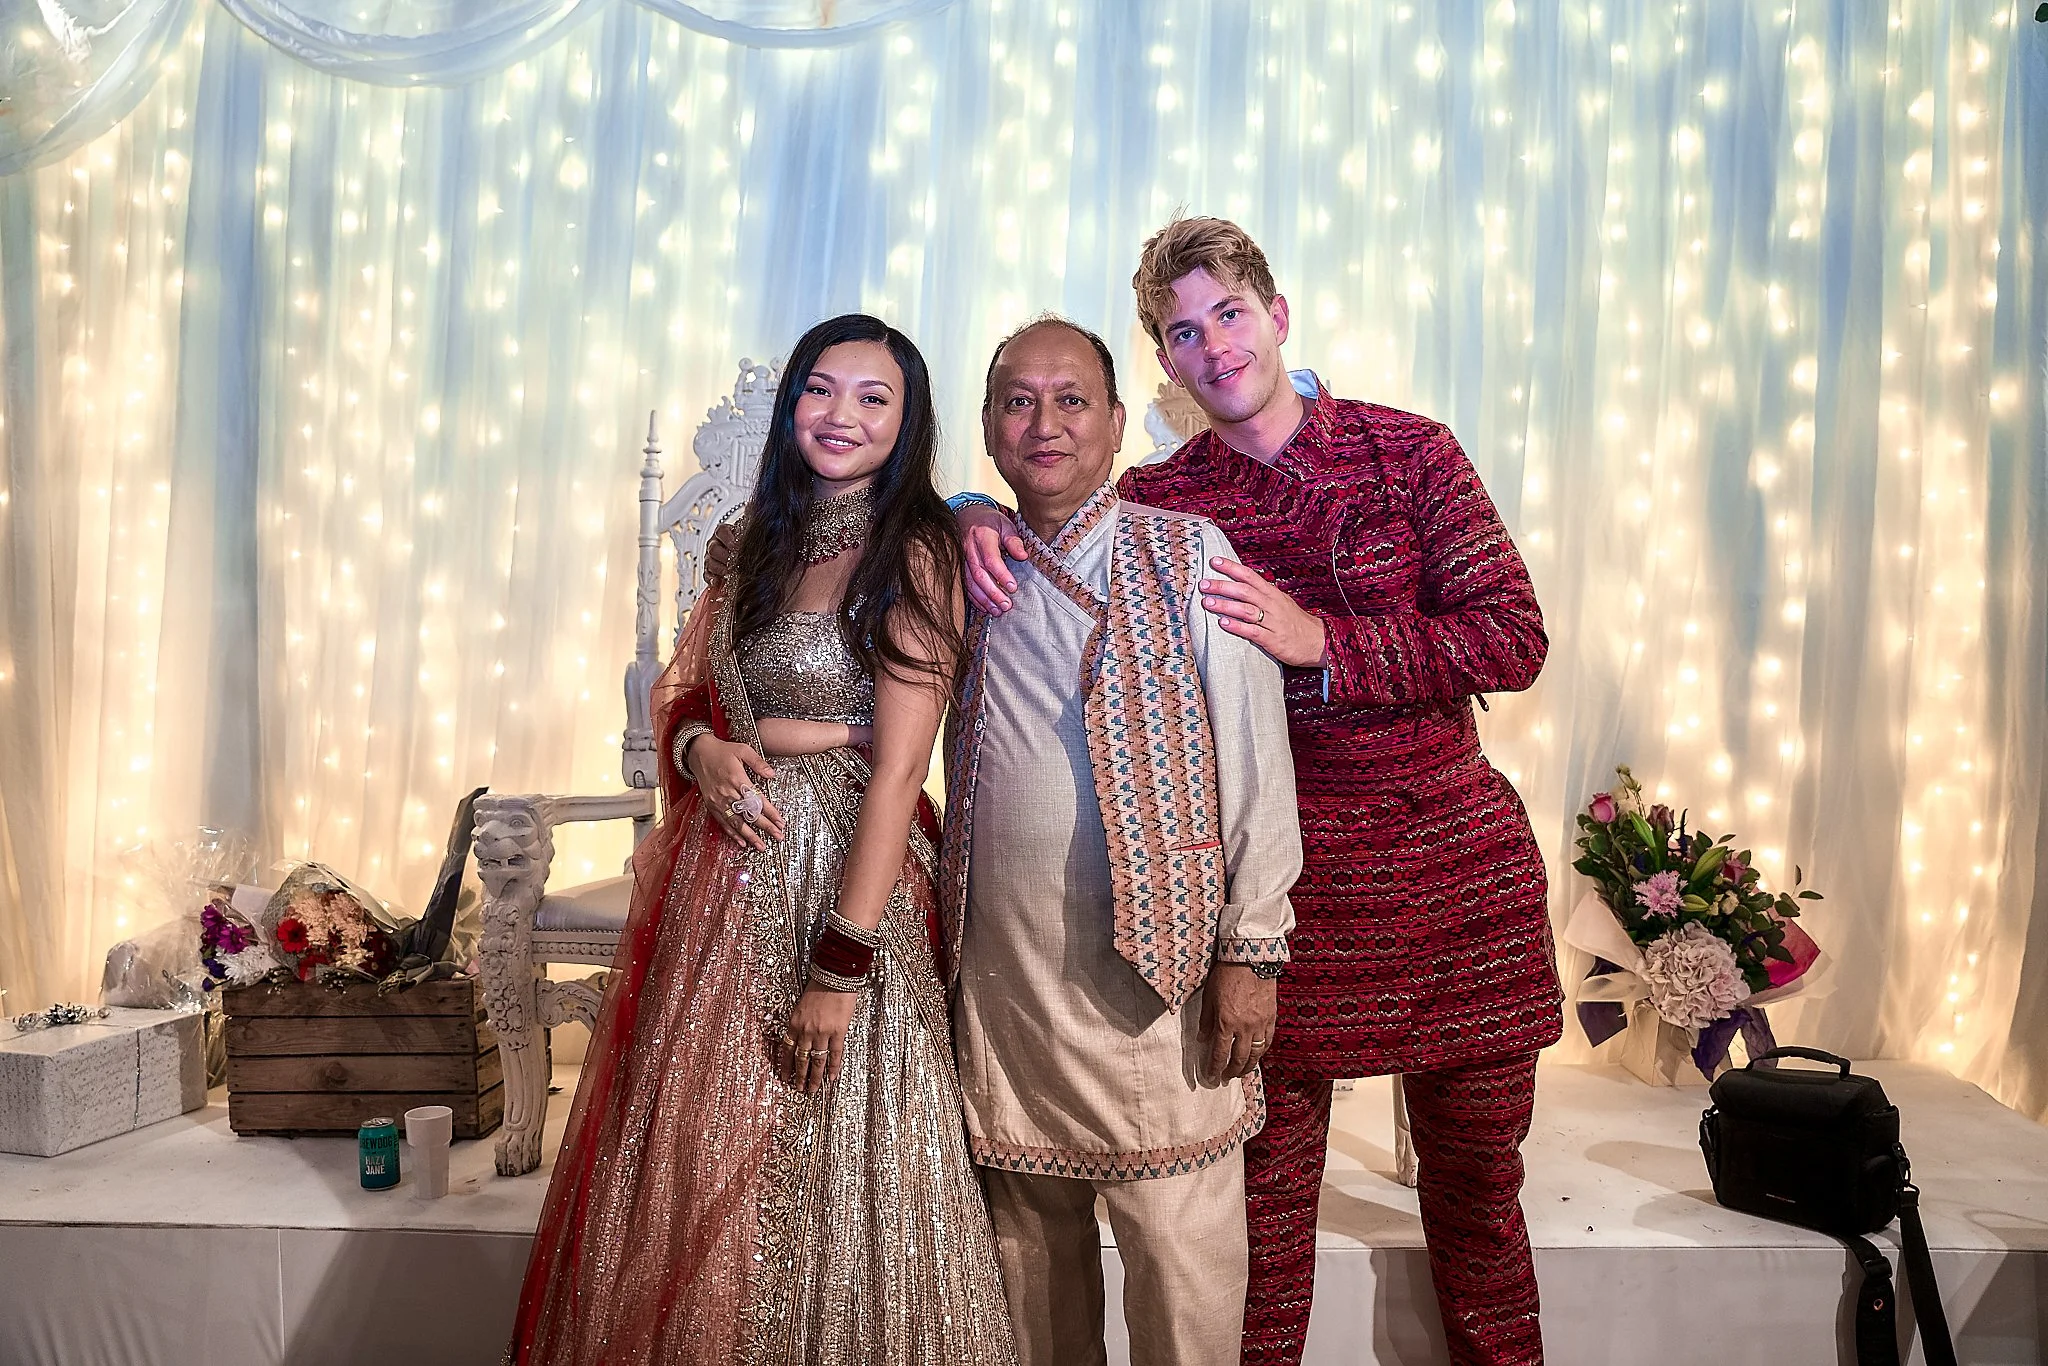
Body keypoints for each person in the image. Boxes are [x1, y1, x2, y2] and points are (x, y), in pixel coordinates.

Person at [957, 220, 1563, 1366]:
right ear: (1164, 363)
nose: (1214, 346)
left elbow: (1511, 636)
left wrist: (1323, 639)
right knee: (1260, 1229)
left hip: (1453, 879)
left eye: (1228, 313)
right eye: (1183, 332)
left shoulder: (1405, 452)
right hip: (1281, 903)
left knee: (1479, 1202)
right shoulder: (1159, 500)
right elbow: (1049, 502)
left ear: (1276, 314)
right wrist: (965, 511)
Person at [512, 313, 1017, 1366]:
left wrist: (840, 964)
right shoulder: (750, 543)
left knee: (842, 1145)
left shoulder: (918, 550)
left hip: (850, 880)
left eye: (873, 398)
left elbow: (897, 770)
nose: (841, 415)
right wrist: (698, 749)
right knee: (702, 1144)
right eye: (820, 390)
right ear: (791, 404)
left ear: (909, 421)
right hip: (723, 879)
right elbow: (691, 699)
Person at [943, 317, 1302, 1366]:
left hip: (1162, 981)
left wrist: (1252, 947)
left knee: (1182, 1273)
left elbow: (1255, 756)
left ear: (1113, 421)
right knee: (1027, 1274)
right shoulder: (964, 565)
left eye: (1070, 400)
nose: (1044, 424)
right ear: (987, 426)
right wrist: (956, 509)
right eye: (1017, 401)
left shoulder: (1187, 551)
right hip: (1007, 981)